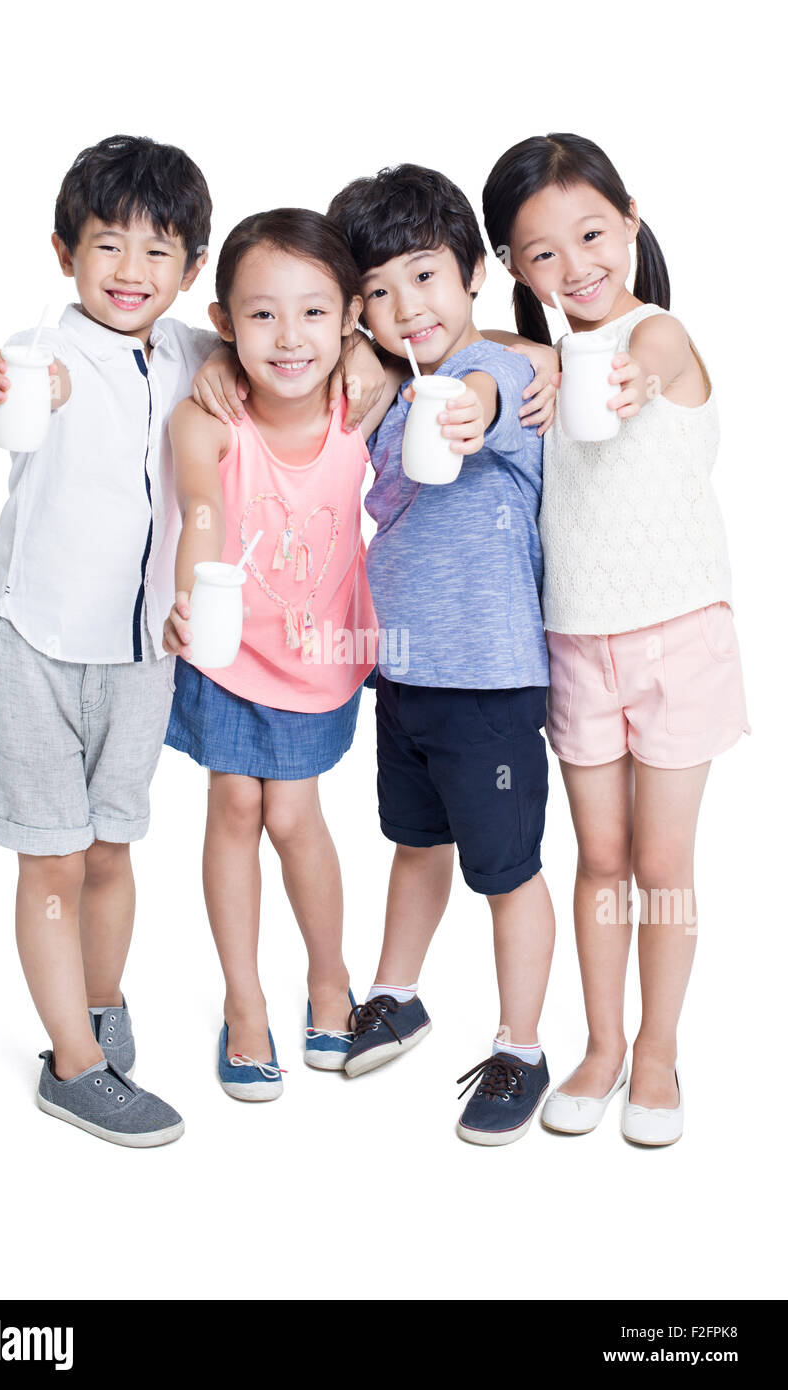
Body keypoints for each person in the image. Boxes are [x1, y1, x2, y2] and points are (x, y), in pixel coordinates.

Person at [162, 208, 488, 1100]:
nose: (289, 335)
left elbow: (468, 344)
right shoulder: (209, 418)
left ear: (349, 315)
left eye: (315, 311)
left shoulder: (366, 399)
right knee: (234, 807)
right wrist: (192, 597)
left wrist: (374, 356)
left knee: (295, 818)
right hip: (226, 654)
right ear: (224, 323)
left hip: (320, 658)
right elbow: (200, 510)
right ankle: (242, 1002)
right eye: (261, 315)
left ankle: (328, 979)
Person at [482, 132, 749, 1145]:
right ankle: (598, 1043)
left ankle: (656, 1051)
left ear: (630, 221)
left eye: (591, 233)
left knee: (661, 860)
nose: (574, 265)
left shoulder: (657, 336)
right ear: (513, 267)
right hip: (573, 644)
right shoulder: (545, 365)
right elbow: (492, 342)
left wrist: (616, 377)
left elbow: (645, 357)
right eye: (539, 252)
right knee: (598, 856)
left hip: (678, 636)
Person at [0, 133, 217, 1146]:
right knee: (53, 861)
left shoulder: (196, 352)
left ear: (191, 269)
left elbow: (304, 346)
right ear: (64, 252)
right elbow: (10, 394)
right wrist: (8, 382)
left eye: (157, 250)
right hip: (38, 643)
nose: (130, 271)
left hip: (142, 657)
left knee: (113, 845)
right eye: (107, 245)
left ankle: (100, 1008)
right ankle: (70, 1066)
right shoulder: (43, 350)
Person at [326, 164, 558, 1145]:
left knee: (504, 869)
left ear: (468, 272)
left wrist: (464, 401)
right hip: (407, 676)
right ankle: (396, 991)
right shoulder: (383, 390)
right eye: (374, 289)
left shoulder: (493, 373)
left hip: (491, 682)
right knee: (413, 842)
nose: (399, 305)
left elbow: (486, 389)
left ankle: (520, 1045)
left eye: (421, 276)